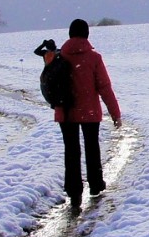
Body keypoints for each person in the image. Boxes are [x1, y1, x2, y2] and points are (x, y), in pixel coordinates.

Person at [48, 19, 121, 212]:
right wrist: (115, 114)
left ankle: (74, 192)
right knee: (92, 147)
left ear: (70, 34)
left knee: (71, 152)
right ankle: (95, 185)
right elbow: (104, 88)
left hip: (66, 112)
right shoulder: (94, 58)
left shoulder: (59, 56)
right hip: (89, 111)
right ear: (87, 34)